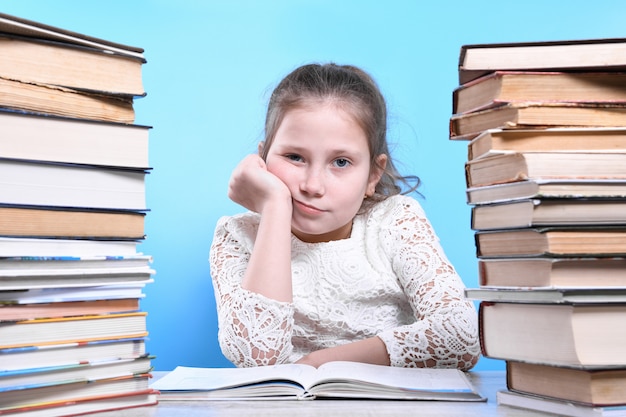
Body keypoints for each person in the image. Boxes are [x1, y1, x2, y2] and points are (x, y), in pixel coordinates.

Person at [209, 63, 481, 370]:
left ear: (373, 175)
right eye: (294, 157)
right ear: (263, 160)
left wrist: (319, 363)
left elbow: (463, 336)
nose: (312, 186)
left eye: (340, 162)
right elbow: (257, 357)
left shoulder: (394, 222)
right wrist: (274, 207)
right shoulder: (237, 235)